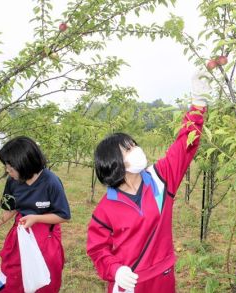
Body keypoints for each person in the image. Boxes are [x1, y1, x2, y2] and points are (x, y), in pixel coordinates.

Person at [86, 70, 213, 293]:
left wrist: (198, 105)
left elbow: (185, 145)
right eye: (128, 150)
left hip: (162, 276)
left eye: (134, 145)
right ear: (114, 163)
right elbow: (97, 249)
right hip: (129, 283)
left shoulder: (160, 178)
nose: (136, 151)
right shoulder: (105, 208)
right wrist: (115, 270)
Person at [0, 136, 71, 292]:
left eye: (10, 168)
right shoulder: (12, 181)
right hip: (20, 236)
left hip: (46, 238)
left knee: (43, 281)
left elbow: (64, 215)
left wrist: (36, 218)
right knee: (14, 278)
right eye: (6, 166)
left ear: (24, 165)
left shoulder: (51, 182)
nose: (7, 171)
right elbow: (10, 210)